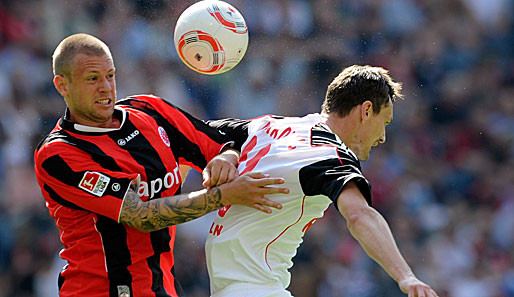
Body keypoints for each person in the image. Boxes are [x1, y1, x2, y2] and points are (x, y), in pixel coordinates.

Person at [34, 33, 289, 297]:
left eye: (110, 75)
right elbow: (140, 216)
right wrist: (224, 196)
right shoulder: (59, 154)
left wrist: (226, 157)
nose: (106, 88)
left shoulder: (149, 110)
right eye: (92, 79)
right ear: (62, 85)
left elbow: (217, 141)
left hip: (162, 287)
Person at [204, 65, 439, 297]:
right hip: (257, 288)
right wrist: (406, 277)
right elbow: (359, 215)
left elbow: (201, 132)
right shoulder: (329, 154)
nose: (383, 137)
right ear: (366, 110)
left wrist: (228, 153)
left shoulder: (270, 125)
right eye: (384, 122)